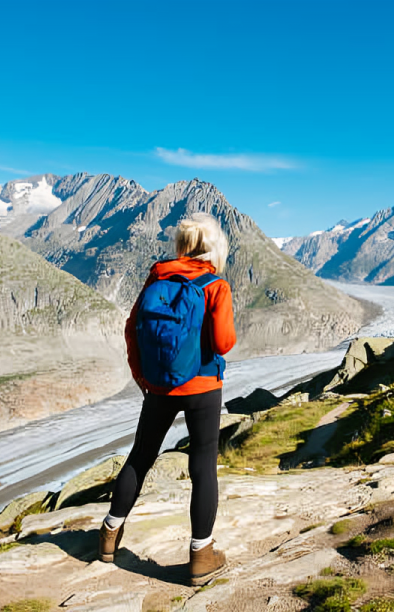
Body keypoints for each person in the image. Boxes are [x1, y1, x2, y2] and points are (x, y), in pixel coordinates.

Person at [98, 213, 236, 587]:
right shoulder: (215, 285)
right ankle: (201, 557)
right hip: (203, 386)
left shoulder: (157, 277)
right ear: (211, 248)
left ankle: (109, 537)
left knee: (141, 455)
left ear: (181, 244)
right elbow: (224, 343)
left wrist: (140, 374)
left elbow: (132, 328)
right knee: (203, 466)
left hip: (158, 385)